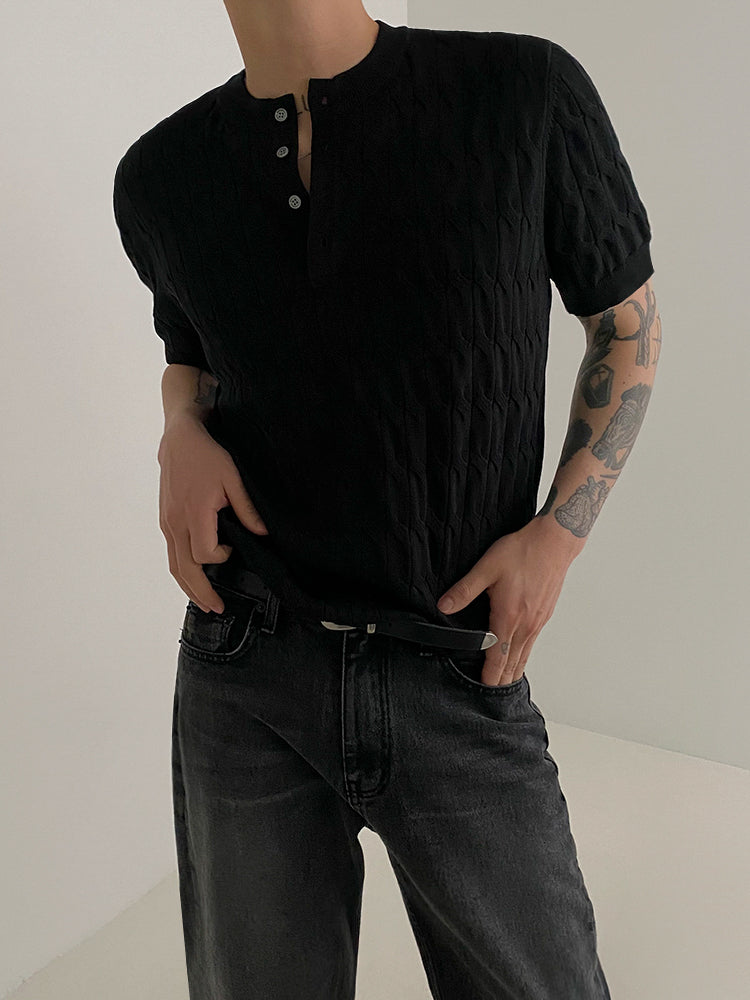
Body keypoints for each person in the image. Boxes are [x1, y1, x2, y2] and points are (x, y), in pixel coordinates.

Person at [113, 3, 659, 998]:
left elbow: (626, 324)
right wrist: (178, 428)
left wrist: (557, 536)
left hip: (455, 664)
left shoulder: (522, 93)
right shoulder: (160, 174)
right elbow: (188, 349)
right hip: (247, 668)